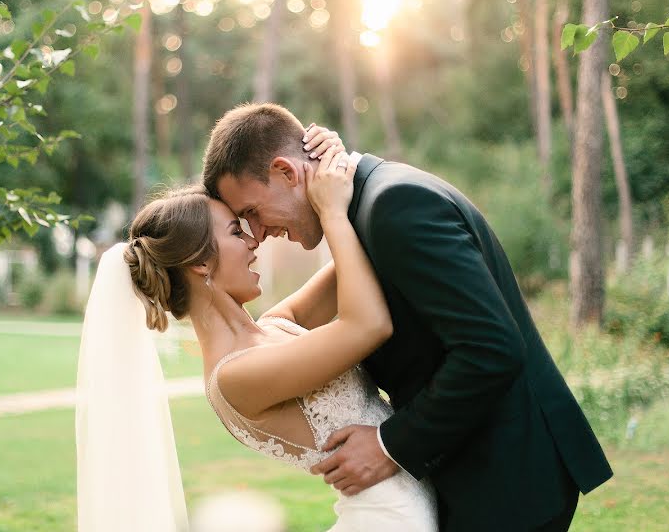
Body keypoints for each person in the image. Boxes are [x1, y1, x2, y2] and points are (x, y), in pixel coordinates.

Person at [202, 102, 614, 532]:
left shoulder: (395, 205)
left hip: (507, 475)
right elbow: (289, 320)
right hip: (476, 473)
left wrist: (389, 445)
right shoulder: (365, 210)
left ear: (287, 172)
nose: (260, 234)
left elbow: (492, 348)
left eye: (251, 212)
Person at [75, 142, 437, 532]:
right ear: (200, 262)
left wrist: (324, 165)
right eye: (236, 231)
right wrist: (332, 211)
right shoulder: (234, 377)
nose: (254, 242)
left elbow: (357, 256)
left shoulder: (277, 325)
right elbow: (367, 325)